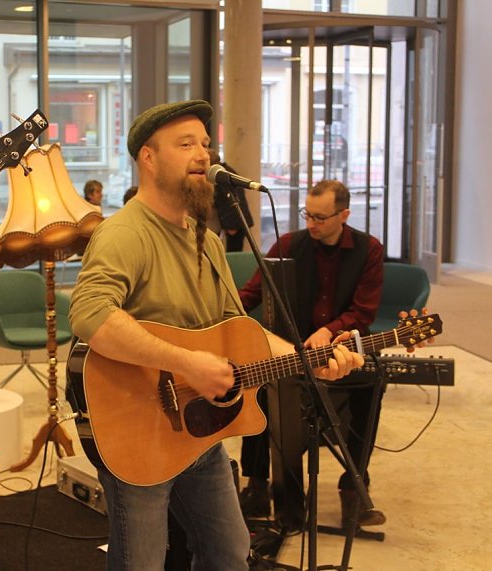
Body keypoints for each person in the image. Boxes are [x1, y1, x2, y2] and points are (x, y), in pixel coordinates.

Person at [68, 100, 363, 570]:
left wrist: (310, 358)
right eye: (186, 144)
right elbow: (90, 315)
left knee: (229, 552)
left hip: (198, 430)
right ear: (148, 157)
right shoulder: (125, 234)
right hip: (136, 430)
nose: (204, 155)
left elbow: (240, 329)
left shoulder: (202, 238)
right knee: (142, 562)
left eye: (205, 143)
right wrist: (188, 364)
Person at [236, 178, 385, 529]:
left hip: (341, 348)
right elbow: (253, 292)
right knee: (258, 386)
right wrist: (225, 319)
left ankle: (353, 486)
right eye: (308, 214)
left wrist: (329, 331)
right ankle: (258, 485)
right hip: (289, 349)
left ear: (343, 215)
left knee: (373, 385)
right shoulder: (289, 244)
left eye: (321, 217)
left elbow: (363, 312)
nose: (312, 224)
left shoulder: (369, 250)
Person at [207, 148, 254, 252]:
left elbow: (231, 199)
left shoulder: (221, 175)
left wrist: (232, 226)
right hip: (237, 220)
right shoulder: (225, 171)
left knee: (234, 253)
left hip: (235, 223)